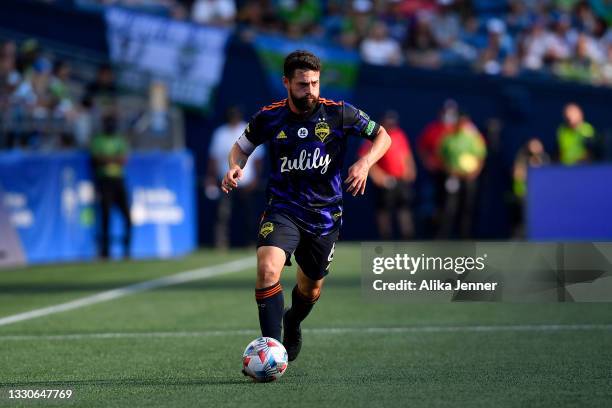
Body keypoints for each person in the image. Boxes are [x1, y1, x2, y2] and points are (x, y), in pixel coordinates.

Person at [221, 50, 391, 362]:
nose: (310, 90)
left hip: (325, 215)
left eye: (314, 83)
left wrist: (365, 162)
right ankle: (270, 352)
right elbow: (240, 148)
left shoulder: (338, 113)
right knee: (267, 267)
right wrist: (235, 166)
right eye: (302, 84)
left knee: (310, 289)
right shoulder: (269, 117)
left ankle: (293, 320)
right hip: (283, 208)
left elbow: (382, 136)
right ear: (286, 82)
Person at [206, 106, 264, 248]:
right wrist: (211, 177)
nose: (233, 118)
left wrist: (256, 178)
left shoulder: (248, 129)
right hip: (226, 181)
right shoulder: (220, 133)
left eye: (235, 115)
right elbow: (213, 158)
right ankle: (221, 243)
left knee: (248, 215)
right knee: (223, 214)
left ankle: (251, 242)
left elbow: (257, 158)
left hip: (246, 181)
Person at [358, 110, 416, 239]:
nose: (391, 125)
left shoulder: (400, 134)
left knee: (404, 208)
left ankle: (407, 237)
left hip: (401, 180)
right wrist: (380, 177)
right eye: (388, 123)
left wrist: (410, 169)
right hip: (385, 181)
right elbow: (365, 159)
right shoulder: (374, 137)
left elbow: (406, 154)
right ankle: (386, 237)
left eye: (393, 123)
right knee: (384, 210)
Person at [438, 112, 487, 239]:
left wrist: (474, 172)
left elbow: (481, 156)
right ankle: (444, 237)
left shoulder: (473, 138)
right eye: (459, 122)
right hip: (452, 177)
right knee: (449, 208)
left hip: (469, 178)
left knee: (467, 208)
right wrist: (449, 170)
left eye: (464, 122)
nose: (462, 125)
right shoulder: (448, 137)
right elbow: (441, 156)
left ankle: (465, 237)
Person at [90, 112, 132, 259]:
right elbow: (96, 159)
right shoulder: (98, 140)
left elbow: (122, 159)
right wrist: (112, 159)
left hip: (118, 180)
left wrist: (107, 159)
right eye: (108, 122)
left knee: (127, 216)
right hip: (104, 181)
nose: (111, 126)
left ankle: (127, 250)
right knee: (106, 216)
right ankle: (105, 251)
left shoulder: (120, 140)